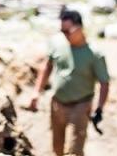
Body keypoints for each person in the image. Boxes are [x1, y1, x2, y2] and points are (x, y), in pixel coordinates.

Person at [26, 9, 109, 156]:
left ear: (79, 28)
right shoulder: (58, 43)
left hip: (80, 105)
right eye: (62, 31)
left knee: (74, 150)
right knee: (57, 147)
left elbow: (104, 82)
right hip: (57, 104)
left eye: (68, 31)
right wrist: (36, 92)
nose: (64, 35)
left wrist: (99, 109)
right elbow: (47, 66)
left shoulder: (94, 54)